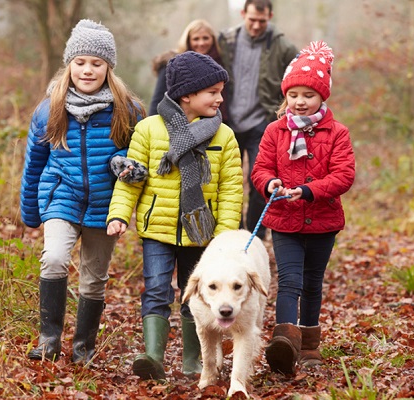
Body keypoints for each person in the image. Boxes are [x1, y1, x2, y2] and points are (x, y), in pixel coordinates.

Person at [106, 51, 243, 380]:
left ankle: (194, 360)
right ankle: (153, 357)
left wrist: (224, 237)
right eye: (212, 92)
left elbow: (231, 190)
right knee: (155, 290)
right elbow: (131, 178)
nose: (220, 99)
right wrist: (120, 214)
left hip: (203, 233)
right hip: (158, 229)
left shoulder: (223, 136)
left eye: (221, 91)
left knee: (194, 294)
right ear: (187, 95)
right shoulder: (149, 130)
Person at [20, 19, 146, 366]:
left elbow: (140, 158)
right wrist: (30, 210)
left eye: (96, 63)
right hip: (62, 198)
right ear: (69, 64)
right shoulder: (49, 108)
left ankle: (83, 348)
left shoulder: (128, 110)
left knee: (93, 279)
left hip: (105, 205)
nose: (87, 70)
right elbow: (34, 164)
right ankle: (49, 339)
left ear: (108, 67)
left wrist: (128, 169)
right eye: (80, 62)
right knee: (55, 258)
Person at [251, 41, 355, 374]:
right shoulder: (274, 131)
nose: (300, 101)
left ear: (322, 97)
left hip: (323, 221)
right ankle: (284, 341)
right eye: (293, 94)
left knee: (312, 283)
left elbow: (343, 175)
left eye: (308, 95)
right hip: (284, 221)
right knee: (290, 281)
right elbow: (261, 169)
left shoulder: (337, 133)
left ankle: (309, 347)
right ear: (286, 96)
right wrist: (270, 184)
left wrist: (309, 191)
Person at [218, 0, 298, 239]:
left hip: (261, 123)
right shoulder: (226, 41)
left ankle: (254, 234)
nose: (255, 26)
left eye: (261, 21)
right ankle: (232, 231)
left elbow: (297, 80)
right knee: (226, 181)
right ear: (243, 13)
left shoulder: (283, 47)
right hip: (227, 121)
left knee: (258, 180)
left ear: (270, 16)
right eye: (251, 19)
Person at [148, 18, 227, 122]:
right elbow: (158, 99)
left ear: (213, 39)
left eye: (205, 38)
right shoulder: (175, 65)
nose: (201, 43)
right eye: (196, 39)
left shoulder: (221, 64)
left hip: (218, 121)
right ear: (188, 40)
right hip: (178, 123)